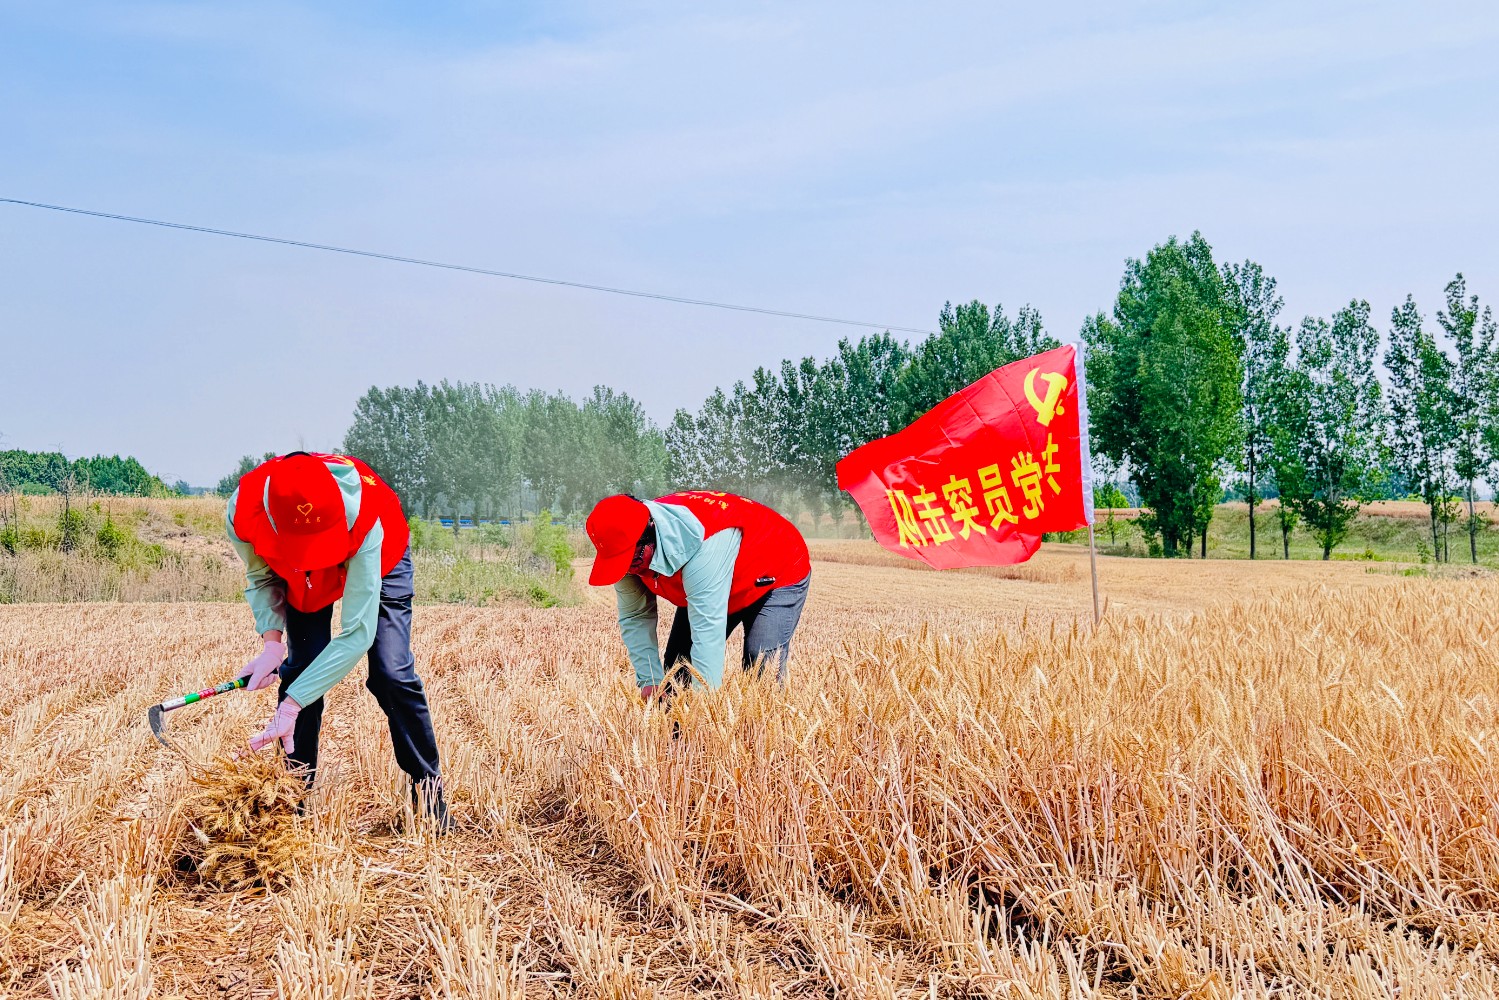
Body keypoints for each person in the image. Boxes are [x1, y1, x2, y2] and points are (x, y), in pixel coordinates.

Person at [226, 451, 448, 829]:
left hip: (379, 554)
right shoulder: (242, 512)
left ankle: (430, 802)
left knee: (391, 674)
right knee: (301, 670)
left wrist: (292, 703)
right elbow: (262, 578)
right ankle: (291, 807)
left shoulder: (365, 513)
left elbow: (357, 634)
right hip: (299, 569)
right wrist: (272, 643)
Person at [585, 491, 811, 699]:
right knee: (678, 670)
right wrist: (650, 680)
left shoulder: (702, 543)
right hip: (711, 581)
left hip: (775, 570)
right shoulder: (626, 551)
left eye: (634, 559)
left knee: (761, 666)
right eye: (621, 563)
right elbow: (635, 616)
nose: (631, 570)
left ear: (651, 530)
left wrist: (703, 711)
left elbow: (707, 629)